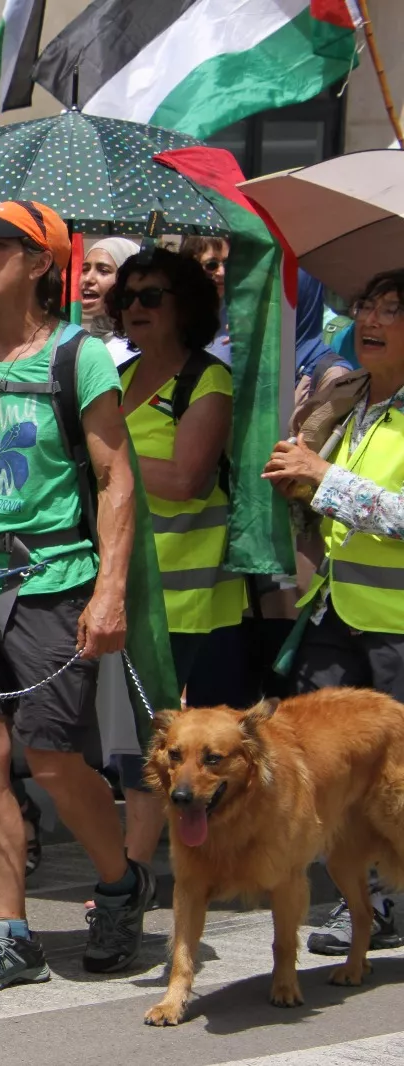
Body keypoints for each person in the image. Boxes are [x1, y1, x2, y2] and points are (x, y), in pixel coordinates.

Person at [0, 200, 150, 992]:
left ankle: (119, 883)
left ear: (43, 262)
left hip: (51, 582)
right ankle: (9, 932)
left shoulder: (80, 359)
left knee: (48, 756)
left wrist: (109, 590)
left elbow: (115, 477)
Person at [265, 267, 404, 960]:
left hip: (397, 629)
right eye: (366, 307)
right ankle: (367, 905)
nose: (372, 320)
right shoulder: (348, 399)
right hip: (333, 615)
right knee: (334, 774)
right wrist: (302, 485)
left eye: (393, 309)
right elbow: (333, 506)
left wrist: (328, 480)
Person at [111, 247, 245, 866]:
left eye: (151, 296)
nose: (134, 305)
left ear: (184, 306)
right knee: (122, 735)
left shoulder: (206, 380)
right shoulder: (115, 377)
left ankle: (136, 872)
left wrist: (106, 466)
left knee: (155, 738)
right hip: (117, 579)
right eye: (127, 295)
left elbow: (187, 478)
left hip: (181, 595)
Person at [80, 237, 140, 363]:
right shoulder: (86, 341)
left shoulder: (134, 352)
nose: (88, 279)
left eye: (103, 271)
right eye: (84, 269)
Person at [180, 235, 232, 363]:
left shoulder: (243, 313)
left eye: (228, 263)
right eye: (211, 265)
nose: (222, 272)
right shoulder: (172, 312)